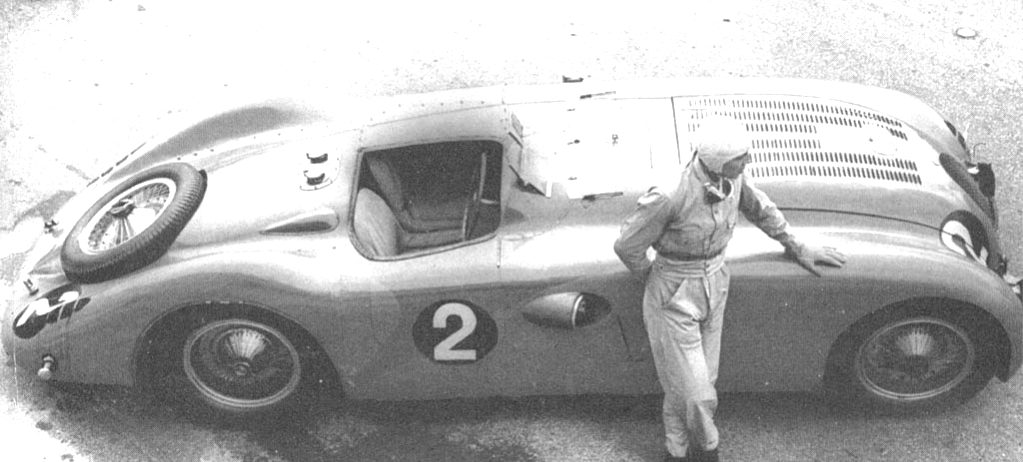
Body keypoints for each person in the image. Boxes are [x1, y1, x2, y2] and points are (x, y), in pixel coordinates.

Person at [613, 115, 846, 462]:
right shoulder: (669, 194)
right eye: (741, 157)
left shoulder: (733, 178)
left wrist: (797, 246)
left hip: (716, 282)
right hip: (673, 291)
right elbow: (627, 245)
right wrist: (654, 278)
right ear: (718, 162)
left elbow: (763, 210)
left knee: (695, 382)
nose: (748, 161)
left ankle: (675, 450)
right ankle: (709, 449)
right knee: (696, 393)